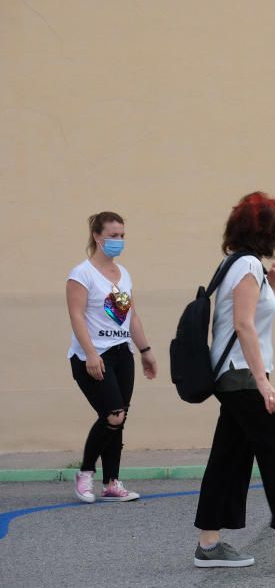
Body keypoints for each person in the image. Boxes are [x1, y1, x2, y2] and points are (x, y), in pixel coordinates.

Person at [192, 191, 275, 572]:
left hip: (236, 375)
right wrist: (262, 382)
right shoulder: (247, 266)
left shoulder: (237, 265)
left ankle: (208, 543)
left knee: (229, 457)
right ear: (270, 231)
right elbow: (242, 325)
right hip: (242, 378)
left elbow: (247, 318)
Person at [66, 211, 158, 503]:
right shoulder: (82, 274)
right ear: (97, 236)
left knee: (120, 417)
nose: (118, 241)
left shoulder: (123, 274)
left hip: (122, 353)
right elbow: (77, 316)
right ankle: (84, 474)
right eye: (113, 236)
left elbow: (129, 316)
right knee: (112, 415)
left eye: (121, 236)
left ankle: (111, 483)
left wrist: (145, 351)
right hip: (92, 356)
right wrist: (91, 354)